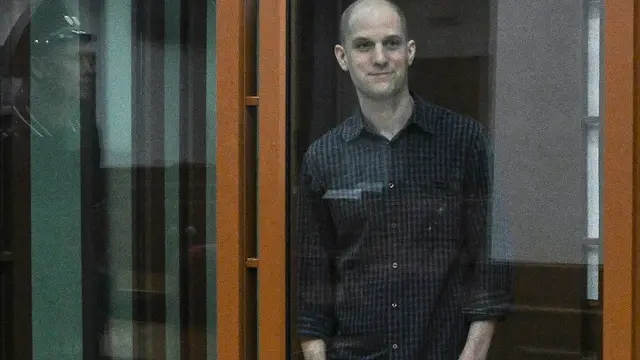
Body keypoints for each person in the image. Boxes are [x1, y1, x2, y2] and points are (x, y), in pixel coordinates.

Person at [295, 0, 512, 359]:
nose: (380, 58)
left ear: (409, 51)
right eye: (364, 45)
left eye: (391, 43)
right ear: (342, 56)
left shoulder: (464, 143)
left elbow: (491, 267)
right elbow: (314, 288)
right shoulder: (323, 158)